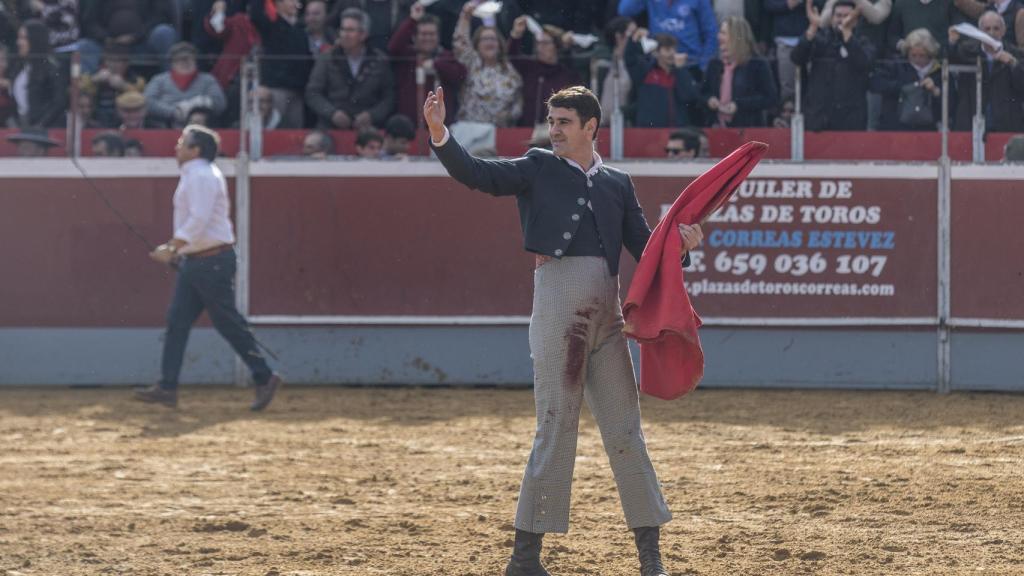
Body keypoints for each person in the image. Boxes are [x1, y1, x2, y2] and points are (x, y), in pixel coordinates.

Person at [424, 84, 703, 576]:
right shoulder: (536, 165)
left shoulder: (617, 182)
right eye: (551, 121)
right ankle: (524, 559)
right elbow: (479, 175)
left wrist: (682, 247)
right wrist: (440, 134)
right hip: (557, 304)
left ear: (590, 127)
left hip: (608, 314)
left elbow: (646, 248)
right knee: (556, 426)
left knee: (626, 430)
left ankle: (650, 557)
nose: (554, 130)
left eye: (564, 122)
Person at [136, 125, 283, 411]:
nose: (176, 147)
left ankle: (264, 375)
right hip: (201, 259)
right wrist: (181, 250)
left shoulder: (201, 175)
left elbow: (199, 218)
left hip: (209, 260)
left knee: (225, 321)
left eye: (182, 143)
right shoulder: (199, 174)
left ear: (196, 150)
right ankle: (167, 386)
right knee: (179, 321)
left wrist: (172, 247)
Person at [791, 0, 876, 131]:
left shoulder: (864, 41)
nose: (841, 20)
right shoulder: (820, 38)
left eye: (846, 16)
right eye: (838, 15)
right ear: (831, 18)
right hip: (820, 119)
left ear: (856, 20)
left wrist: (847, 34)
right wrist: (812, 28)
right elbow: (797, 58)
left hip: (850, 119)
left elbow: (864, 63)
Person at [305, 7, 396, 130]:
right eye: (342, 29)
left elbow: (389, 97)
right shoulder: (327, 58)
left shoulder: (380, 60)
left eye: (350, 30)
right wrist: (332, 113)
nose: (345, 34)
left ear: (363, 34)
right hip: (329, 127)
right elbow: (312, 93)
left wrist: (372, 115)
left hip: (369, 129)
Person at [387, 2, 466, 125]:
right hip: (409, 128)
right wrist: (412, 20)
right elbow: (393, 48)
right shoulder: (408, 55)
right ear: (415, 37)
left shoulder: (445, 56)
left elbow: (460, 74)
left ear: (438, 36)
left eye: (432, 34)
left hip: (441, 128)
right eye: (423, 34)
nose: (427, 38)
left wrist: (436, 65)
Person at [451, 1, 523, 126]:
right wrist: (465, 16)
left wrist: (509, 116)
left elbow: (518, 102)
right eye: (484, 39)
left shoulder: (509, 70)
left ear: (500, 45)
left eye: (493, 39)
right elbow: (460, 42)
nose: (489, 42)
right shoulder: (472, 64)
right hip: (470, 131)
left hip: (501, 133)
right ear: (477, 45)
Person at [950, 11, 1024, 132]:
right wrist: (952, 42)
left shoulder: (1016, 54)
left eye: (996, 28)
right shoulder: (966, 50)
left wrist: (1013, 63)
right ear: (979, 32)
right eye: (987, 29)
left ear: (1003, 31)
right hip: (972, 118)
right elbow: (948, 59)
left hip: (1006, 122)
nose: (991, 33)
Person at [702, 16, 778, 127]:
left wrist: (739, 105)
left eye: (723, 33)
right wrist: (709, 100)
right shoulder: (714, 64)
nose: (718, 36)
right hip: (717, 128)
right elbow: (702, 92)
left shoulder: (757, 64)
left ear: (736, 36)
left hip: (748, 130)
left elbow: (770, 98)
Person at [250, 0, 313, 129]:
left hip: (297, 90)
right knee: (273, 129)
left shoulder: (300, 30)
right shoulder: (272, 25)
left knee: (294, 133)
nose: (296, 4)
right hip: (276, 89)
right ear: (278, 3)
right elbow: (255, 14)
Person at [871, 28, 947, 130]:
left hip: (929, 129)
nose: (917, 60)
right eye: (913, 55)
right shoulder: (897, 65)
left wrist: (935, 91)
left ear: (930, 55)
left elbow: (951, 103)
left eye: (922, 56)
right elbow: (875, 84)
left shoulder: (940, 70)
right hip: (896, 127)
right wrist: (905, 86)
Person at [625, 29, 700, 127]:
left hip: (676, 131)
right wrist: (633, 39)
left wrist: (680, 70)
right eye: (667, 49)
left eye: (674, 49)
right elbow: (630, 59)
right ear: (656, 52)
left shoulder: (680, 72)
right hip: (650, 131)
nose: (672, 53)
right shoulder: (646, 71)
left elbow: (689, 96)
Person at [143, 42, 227, 128]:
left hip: (201, 127)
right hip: (165, 127)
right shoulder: (159, 80)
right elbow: (148, 101)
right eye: (180, 59)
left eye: (188, 59)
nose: (185, 62)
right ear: (172, 63)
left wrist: (195, 107)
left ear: (195, 61)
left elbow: (220, 103)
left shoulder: (207, 79)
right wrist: (174, 112)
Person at [10, 19, 67, 128]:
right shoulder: (19, 68)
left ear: (35, 40)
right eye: (19, 38)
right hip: (24, 129)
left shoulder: (52, 68)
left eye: (23, 38)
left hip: (46, 132)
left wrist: (40, 126)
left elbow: (59, 103)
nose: (18, 42)